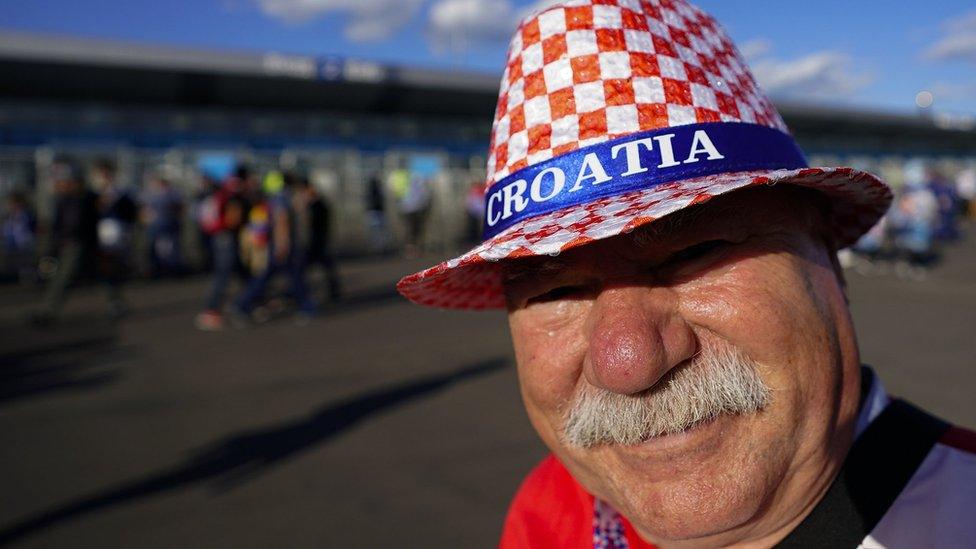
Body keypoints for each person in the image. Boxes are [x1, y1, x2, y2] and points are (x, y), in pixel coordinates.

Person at [397, 1, 976, 547]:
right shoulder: (547, 513)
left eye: (692, 253)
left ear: (826, 256)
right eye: (557, 289)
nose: (628, 362)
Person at [233, 170, 315, 325]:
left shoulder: (275, 198)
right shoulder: (282, 198)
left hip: (279, 245)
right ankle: (242, 305)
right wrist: (282, 244)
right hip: (284, 246)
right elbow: (281, 221)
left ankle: (242, 304)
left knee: (280, 276)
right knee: (291, 277)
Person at [33, 160, 99, 324]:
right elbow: (58, 224)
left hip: (79, 244)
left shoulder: (86, 198)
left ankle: (48, 312)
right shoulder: (64, 199)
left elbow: (80, 224)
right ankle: (116, 302)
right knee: (96, 274)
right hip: (70, 244)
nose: (60, 184)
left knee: (63, 278)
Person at [194, 170, 247, 331]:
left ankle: (244, 304)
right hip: (225, 238)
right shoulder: (231, 197)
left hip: (217, 238)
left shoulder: (217, 195)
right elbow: (233, 220)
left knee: (234, 274)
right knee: (223, 276)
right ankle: (212, 311)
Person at [91, 158, 137, 317]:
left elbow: (131, 213)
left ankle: (115, 300)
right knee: (106, 267)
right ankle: (113, 298)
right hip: (100, 234)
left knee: (115, 267)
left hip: (116, 233)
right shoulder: (93, 193)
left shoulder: (121, 193)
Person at [295, 174, 341, 301]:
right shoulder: (315, 202)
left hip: (316, 241)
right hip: (315, 241)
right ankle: (333, 290)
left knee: (303, 269)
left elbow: (312, 223)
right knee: (324, 266)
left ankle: (301, 293)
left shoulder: (316, 204)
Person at [142, 173, 184, 277]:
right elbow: (144, 211)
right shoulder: (150, 195)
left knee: (171, 248)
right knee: (154, 248)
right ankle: (156, 269)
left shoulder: (173, 194)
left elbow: (180, 208)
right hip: (155, 226)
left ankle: (172, 268)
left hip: (169, 224)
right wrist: (146, 220)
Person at [2, 191, 37, 285]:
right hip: (12, 243)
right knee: (13, 263)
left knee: (26, 263)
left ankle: (28, 281)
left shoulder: (26, 214)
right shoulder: (9, 216)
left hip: (25, 243)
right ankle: (15, 279)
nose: (10, 206)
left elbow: (30, 228)